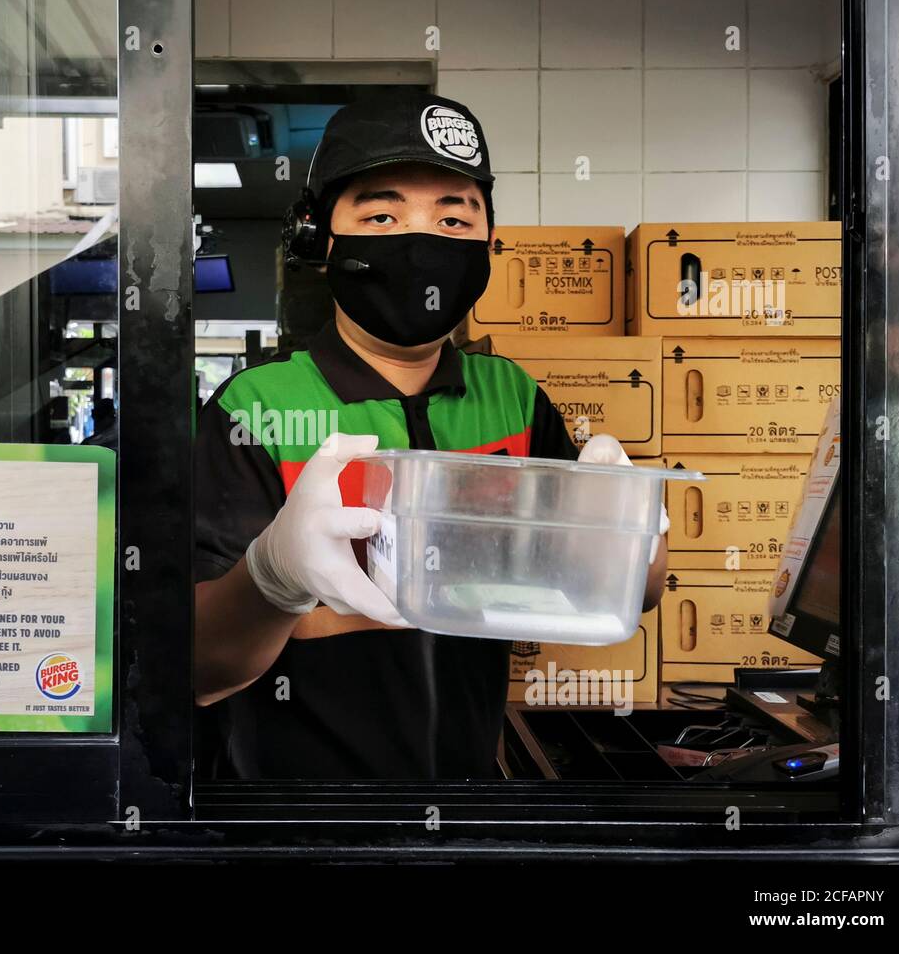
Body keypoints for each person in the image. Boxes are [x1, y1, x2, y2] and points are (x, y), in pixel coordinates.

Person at [193, 92, 668, 780]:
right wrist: (270, 579)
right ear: (319, 241)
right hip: (299, 821)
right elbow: (199, 665)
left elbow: (617, 592)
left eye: (453, 217)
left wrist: (635, 533)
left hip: (469, 798)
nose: (421, 242)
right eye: (381, 215)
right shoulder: (258, 407)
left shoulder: (512, 398)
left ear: (487, 246)